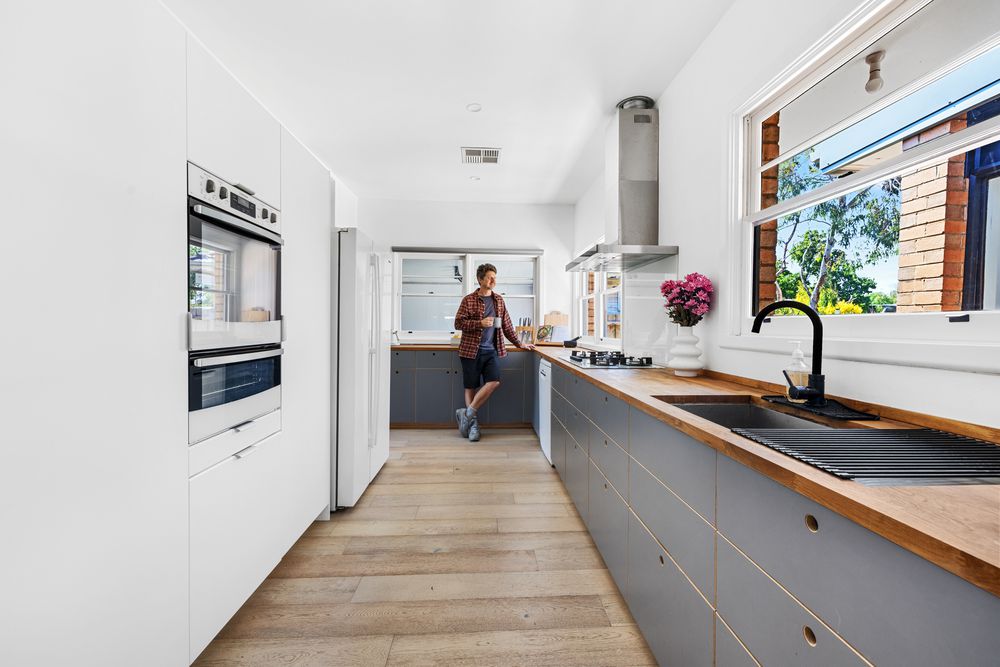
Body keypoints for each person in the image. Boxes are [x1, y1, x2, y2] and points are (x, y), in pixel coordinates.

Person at [453, 263, 535, 442]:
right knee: (470, 386)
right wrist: (479, 323)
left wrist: (519, 343)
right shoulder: (468, 300)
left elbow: (507, 325)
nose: (493, 281)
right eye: (490, 277)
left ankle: (466, 414)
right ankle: (473, 425)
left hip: (491, 351)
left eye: (494, 277)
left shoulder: (499, 300)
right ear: (480, 279)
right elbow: (458, 323)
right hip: (470, 350)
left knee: (494, 381)